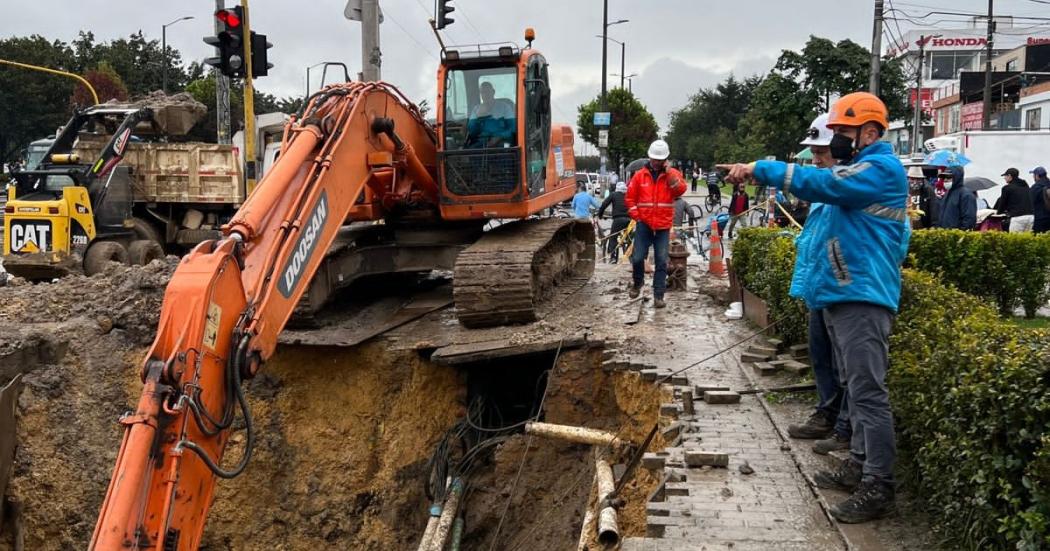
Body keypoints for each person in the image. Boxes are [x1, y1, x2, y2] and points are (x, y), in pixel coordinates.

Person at [718, 92, 910, 523]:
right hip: (844, 294)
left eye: (843, 132)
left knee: (868, 393)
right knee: (854, 388)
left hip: (862, 296)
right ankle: (860, 465)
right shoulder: (861, 169)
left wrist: (760, 169)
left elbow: (826, 183)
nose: (837, 141)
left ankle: (879, 487)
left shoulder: (880, 170)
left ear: (871, 132)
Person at [783, 113, 852, 456]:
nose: (815, 158)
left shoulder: (851, 189)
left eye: (821, 152)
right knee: (821, 355)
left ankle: (844, 427)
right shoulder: (825, 191)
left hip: (843, 290)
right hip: (820, 288)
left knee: (845, 364)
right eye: (812, 151)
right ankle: (827, 412)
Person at [626, 139, 687, 309]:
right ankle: (638, 283)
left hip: (662, 226)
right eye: (655, 159)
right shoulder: (640, 176)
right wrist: (637, 217)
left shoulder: (672, 174)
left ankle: (658, 295)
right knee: (637, 258)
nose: (657, 162)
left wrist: (669, 173)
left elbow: (680, 190)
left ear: (665, 160)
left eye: (660, 160)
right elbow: (630, 198)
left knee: (661, 261)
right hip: (644, 224)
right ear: (650, 158)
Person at [466, 81, 515, 148]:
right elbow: (471, 132)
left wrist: (499, 137)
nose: (486, 95)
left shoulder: (505, 107)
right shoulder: (476, 109)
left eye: (488, 92)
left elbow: (512, 129)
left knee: (507, 149)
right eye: (483, 92)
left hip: (503, 141)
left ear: (493, 92)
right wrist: (478, 118)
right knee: (471, 150)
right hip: (482, 142)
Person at [935, 165, 977, 230]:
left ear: (956, 178)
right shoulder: (947, 193)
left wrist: (959, 235)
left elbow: (969, 219)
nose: (945, 180)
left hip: (957, 236)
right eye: (944, 177)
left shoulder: (966, 195)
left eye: (949, 177)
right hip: (944, 235)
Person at [994, 168, 1034, 232]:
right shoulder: (1026, 186)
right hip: (1031, 217)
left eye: (1005, 176)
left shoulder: (1006, 188)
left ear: (1010, 176)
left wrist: (998, 213)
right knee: (1027, 240)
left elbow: (1002, 205)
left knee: (1015, 240)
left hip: (1017, 218)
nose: (1004, 178)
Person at [599, 181, 630, 263]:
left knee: (613, 238)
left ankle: (613, 258)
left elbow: (604, 204)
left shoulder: (613, 194)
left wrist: (600, 215)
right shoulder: (629, 195)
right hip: (630, 220)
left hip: (618, 220)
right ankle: (631, 256)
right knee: (630, 238)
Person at [1031, 166, 1050, 234]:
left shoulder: (1036, 187)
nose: (1033, 177)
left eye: (1033, 175)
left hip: (1040, 218)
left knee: (1038, 240)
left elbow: (1031, 202)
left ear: (1037, 175)